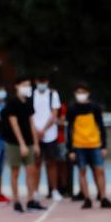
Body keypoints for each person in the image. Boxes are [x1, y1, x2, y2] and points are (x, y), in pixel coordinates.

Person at [65, 82, 111, 210]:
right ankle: (86, 198)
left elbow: (101, 127)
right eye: (78, 93)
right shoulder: (72, 109)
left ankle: (103, 197)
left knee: (100, 170)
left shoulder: (95, 107)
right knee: (82, 171)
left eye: (83, 92)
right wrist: (70, 149)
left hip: (94, 144)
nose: (81, 95)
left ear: (88, 93)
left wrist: (104, 145)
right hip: (79, 145)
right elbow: (69, 129)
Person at [0, 77, 36, 213]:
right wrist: (22, 144)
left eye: (29, 85)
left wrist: (35, 143)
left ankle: (31, 199)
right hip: (14, 142)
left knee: (31, 171)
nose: (27, 87)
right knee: (15, 172)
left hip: (29, 141)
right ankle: (16, 201)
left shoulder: (29, 101)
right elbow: (14, 124)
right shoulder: (12, 102)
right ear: (17, 86)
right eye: (24, 85)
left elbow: (32, 123)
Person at [30, 75, 64, 207]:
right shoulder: (31, 95)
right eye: (39, 81)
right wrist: (36, 130)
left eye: (44, 81)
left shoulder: (53, 95)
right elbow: (30, 114)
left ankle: (54, 189)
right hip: (35, 132)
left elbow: (54, 114)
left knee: (51, 163)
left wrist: (44, 129)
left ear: (47, 82)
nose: (41, 84)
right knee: (36, 163)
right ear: (36, 82)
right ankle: (35, 190)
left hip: (50, 133)